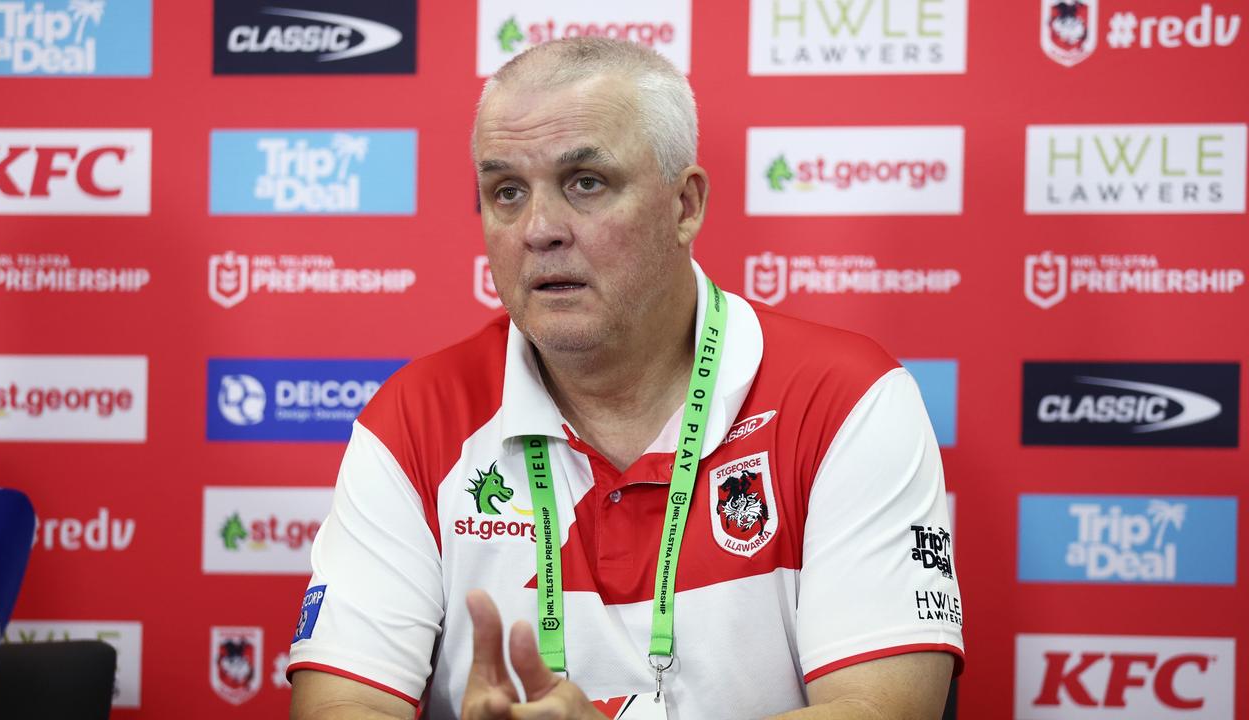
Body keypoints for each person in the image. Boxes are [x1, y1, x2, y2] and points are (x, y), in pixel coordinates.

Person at [288, 37, 963, 720]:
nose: (539, 229)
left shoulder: (845, 398)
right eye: (506, 192)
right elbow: (340, 705)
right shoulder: (414, 418)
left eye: (586, 183)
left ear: (685, 205)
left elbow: (883, 710)